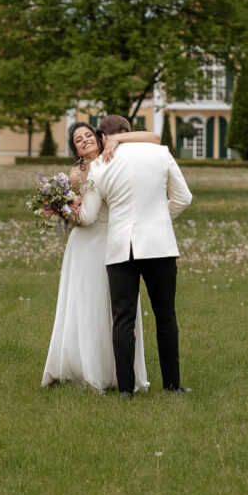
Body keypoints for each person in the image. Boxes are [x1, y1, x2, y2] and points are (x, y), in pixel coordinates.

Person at [41, 122, 161, 391]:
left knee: (116, 308)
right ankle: (88, 367)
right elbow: (82, 217)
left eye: (88, 135)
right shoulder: (77, 174)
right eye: (78, 140)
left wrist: (117, 139)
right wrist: (60, 208)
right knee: (86, 305)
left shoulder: (118, 155)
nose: (84, 140)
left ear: (99, 137)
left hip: (114, 240)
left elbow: (153, 137)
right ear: (75, 150)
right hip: (86, 246)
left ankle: (117, 372)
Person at [78, 114, 192, 398]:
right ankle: (172, 386)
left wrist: (67, 209)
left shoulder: (100, 166)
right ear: (128, 131)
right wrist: (159, 218)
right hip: (159, 245)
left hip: (120, 247)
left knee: (123, 319)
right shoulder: (160, 153)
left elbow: (90, 216)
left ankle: (126, 390)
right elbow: (184, 198)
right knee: (166, 317)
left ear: (103, 137)